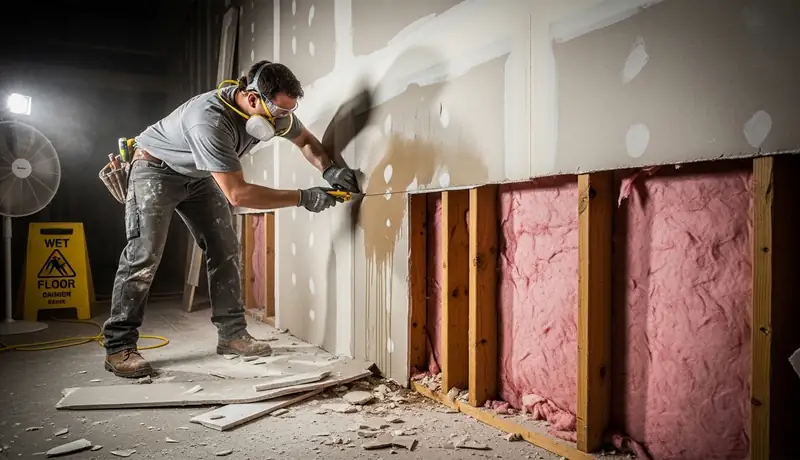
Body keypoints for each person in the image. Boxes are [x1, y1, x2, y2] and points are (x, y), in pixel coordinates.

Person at [102, 60, 361, 378]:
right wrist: (303, 197)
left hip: (196, 176)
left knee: (224, 246)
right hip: (155, 170)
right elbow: (237, 194)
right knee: (145, 254)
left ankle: (233, 335)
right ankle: (119, 346)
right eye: (279, 113)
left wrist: (329, 168)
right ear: (253, 99)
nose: (283, 121)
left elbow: (305, 140)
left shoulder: (273, 113)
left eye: (287, 113)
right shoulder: (208, 121)